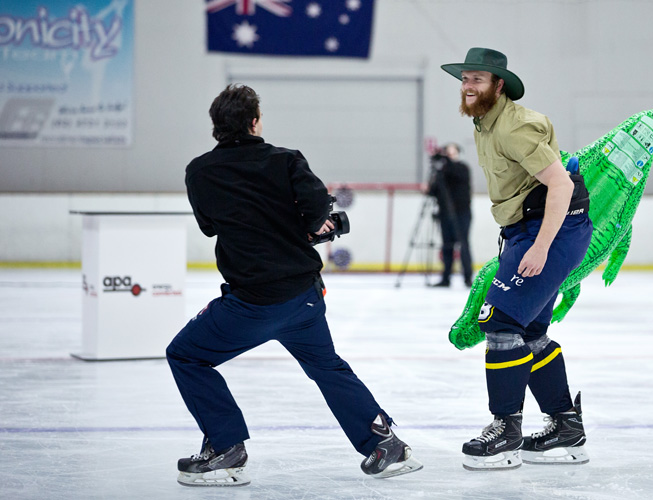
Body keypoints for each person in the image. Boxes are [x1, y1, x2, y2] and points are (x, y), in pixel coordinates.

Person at [166, 84, 422, 486]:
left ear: (216, 126)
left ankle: (226, 446)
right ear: (254, 121)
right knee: (326, 366)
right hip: (303, 299)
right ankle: (384, 443)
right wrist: (300, 226)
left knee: (185, 355)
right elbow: (319, 207)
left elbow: (209, 226)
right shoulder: (285, 161)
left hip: (251, 303)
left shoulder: (199, 171)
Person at [441, 48, 593, 470]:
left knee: (502, 322)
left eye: (478, 80)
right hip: (529, 228)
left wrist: (541, 247)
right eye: (465, 79)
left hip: (550, 229)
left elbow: (560, 186)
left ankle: (505, 429)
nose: (468, 87)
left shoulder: (514, 127)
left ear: (498, 85)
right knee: (530, 331)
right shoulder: (484, 122)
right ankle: (566, 427)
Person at [427, 143, 474, 288]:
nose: (448, 156)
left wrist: (446, 163)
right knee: (447, 245)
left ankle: (467, 277)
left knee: (463, 244)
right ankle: (445, 278)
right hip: (445, 214)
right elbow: (433, 191)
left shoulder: (462, 168)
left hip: (461, 213)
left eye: (451, 153)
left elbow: (457, 175)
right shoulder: (442, 172)